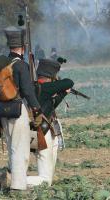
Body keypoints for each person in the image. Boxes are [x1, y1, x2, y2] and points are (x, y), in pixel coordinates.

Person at [0, 26, 43, 191]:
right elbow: (28, 92)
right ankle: (18, 187)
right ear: (23, 48)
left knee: (12, 147)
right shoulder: (21, 65)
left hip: (1, 110)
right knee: (20, 149)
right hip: (17, 109)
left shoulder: (2, 64)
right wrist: (37, 109)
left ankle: (10, 180)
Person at [27, 58, 74, 186]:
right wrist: (59, 84)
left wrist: (63, 94)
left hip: (44, 130)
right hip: (42, 133)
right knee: (46, 181)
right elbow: (69, 82)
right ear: (51, 76)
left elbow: (51, 106)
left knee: (50, 176)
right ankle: (14, 180)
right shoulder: (46, 87)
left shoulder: (34, 87)